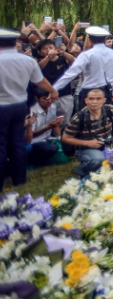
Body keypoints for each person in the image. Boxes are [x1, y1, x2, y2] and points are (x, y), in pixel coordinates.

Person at [1, 27, 60, 188]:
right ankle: (19, 180)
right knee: (17, 143)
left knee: (1, 145)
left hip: (1, 106)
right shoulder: (27, 61)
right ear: (15, 42)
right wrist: (53, 90)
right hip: (20, 106)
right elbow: (39, 81)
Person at [53, 26, 113, 109]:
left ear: (90, 40)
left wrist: (54, 89)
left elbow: (71, 73)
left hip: (89, 92)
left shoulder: (87, 54)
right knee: (105, 118)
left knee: (87, 118)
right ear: (105, 39)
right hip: (106, 91)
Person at [61, 88, 113, 177]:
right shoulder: (79, 117)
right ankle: (82, 171)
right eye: (91, 99)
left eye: (98, 99)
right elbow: (65, 138)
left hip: (108, 144)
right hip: (87, 149)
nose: (94, 102)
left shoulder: (110, 110)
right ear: (86, 101)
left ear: (104, 100)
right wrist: (88, 143)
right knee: (99, 160)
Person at [35, 38, 76, 120]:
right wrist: (48, 57)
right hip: (48, 96)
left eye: (50, 47)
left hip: (65, 94)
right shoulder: (40, 61)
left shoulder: (63, 59)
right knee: (48, 119)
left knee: (65, 119)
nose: (48, 50)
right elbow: (38, 68)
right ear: (40, 52)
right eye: (45, 49)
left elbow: (72, 60)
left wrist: (62, 52)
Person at [25, 89, 62, 166]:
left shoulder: (53, 107)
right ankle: (33, 160)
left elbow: (54, 125)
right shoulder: (32, 112)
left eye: (50, 99)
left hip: (48, 138)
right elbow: (30, 135)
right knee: (52, 148)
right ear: (37, 99)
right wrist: (47, 127)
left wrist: (60, 137)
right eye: (44, 99)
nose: (48, 101)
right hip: (35, 141)